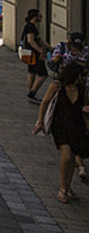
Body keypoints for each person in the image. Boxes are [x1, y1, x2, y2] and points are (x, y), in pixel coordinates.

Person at [33, 62, 89, 203]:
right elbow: (45, 102)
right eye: (81, 75)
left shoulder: (82, 89)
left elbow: (85, 106)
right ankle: (62, 189)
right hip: (61, 126)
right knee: (67, 154)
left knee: (73, 155)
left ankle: (68, 187)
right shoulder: (57, 86)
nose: (83, 78)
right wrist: (40, 121)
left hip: (77, 127)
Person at [22, 9, 49, 103]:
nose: (41, 18)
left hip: (29, 53)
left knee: (32, 72)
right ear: (35, 17)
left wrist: (49, 46)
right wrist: (40, 50)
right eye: (40, 16)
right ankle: (32, 93)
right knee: (43, 74)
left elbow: (40, 39)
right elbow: (31, 40)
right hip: (34, 54)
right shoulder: (31, 27)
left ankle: (31, 93)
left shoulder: (30, 26)